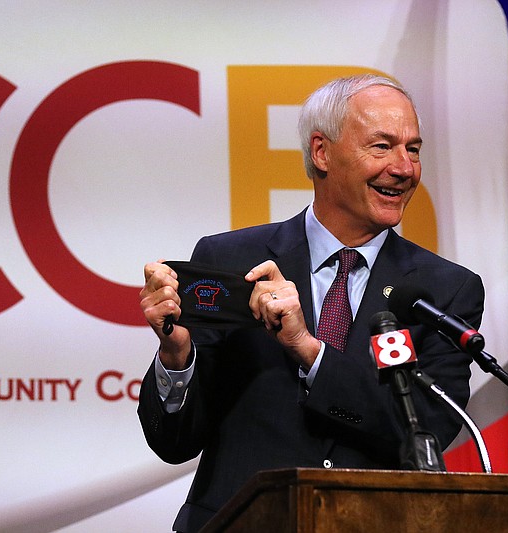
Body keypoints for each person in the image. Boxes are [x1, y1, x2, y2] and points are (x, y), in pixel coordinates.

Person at [138, 74, 484, 532]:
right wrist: (177, 356)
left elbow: (426, 433)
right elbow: (174, 443)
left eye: (413, 149)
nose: (404, 168)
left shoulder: (445, 291)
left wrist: (306, 347)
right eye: (382, 147)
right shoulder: (231, 260)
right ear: (321, 152)